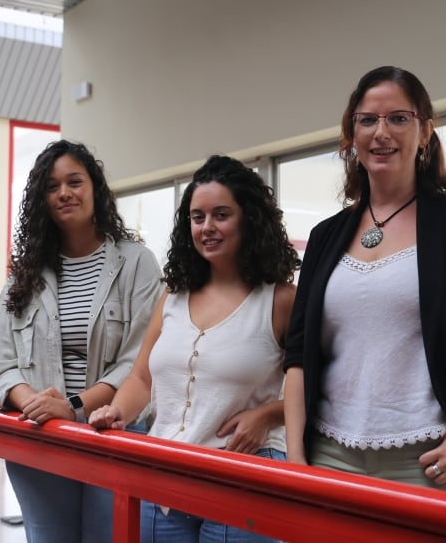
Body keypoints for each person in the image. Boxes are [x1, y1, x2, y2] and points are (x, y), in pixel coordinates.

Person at [283, 66, 446, 500]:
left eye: (399, 118)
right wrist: (295, 460)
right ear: (351, 135)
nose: (381, 132)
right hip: (331, 459)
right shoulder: (326, 236)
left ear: (425, 132)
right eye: (368, 120)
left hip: (436, 463)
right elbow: (298, 356)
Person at [89, 155, 298, 542]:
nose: (207, 228)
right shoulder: (173, 295)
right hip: (164, 475)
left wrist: (268, 415)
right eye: (197, 217)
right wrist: (116, 411)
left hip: (245, 474)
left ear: (249, 219)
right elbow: (142, 377)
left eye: (221, 214)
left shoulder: (281, 300)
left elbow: (325, 386)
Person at [0, 140, 164, 543]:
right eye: (52, 186)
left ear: (94, 189)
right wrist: (40, 407)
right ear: (42, 201)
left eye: (74, 181)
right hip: (42, 439)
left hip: (113, 435)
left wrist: (74, 408)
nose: (64, 192)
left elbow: (138, 361)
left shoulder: (136, 263)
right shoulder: (24, 274)